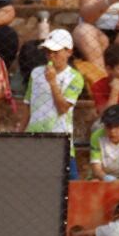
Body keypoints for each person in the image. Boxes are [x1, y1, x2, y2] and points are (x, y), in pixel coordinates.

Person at [22, 28, 85, 173]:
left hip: (60, 139)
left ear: (68, 52)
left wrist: (53, 82)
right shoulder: (36, 73)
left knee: (70, 187)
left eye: (55, 52)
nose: (50, 56)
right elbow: (27, 105)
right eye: (48, 52)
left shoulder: (75, 78)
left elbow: (63, 108)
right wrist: (21, 132)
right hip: (34, 137)